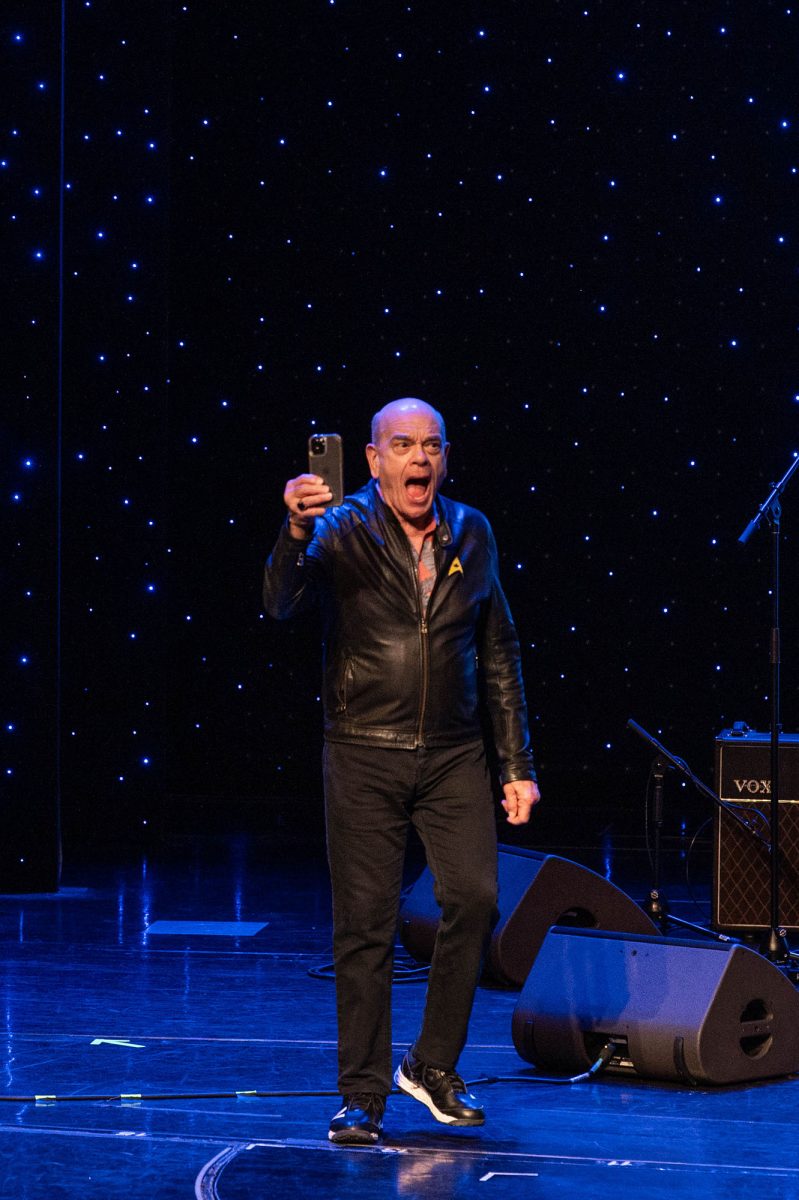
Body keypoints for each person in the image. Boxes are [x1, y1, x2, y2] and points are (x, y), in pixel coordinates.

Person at [263, 398, 540, 1145]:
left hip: (454, 753)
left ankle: (431, 1064)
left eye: (432, 446)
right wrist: (294, 530)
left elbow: (499, 650)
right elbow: (281, 602)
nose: (419, 458)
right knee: (365, 926)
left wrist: (517, 764)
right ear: (374, 458)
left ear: (444, 458)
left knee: (475, 899)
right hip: (363, 749)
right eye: (403, 445)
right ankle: (361, 1095)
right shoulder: (340, 525)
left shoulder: (472, 530)